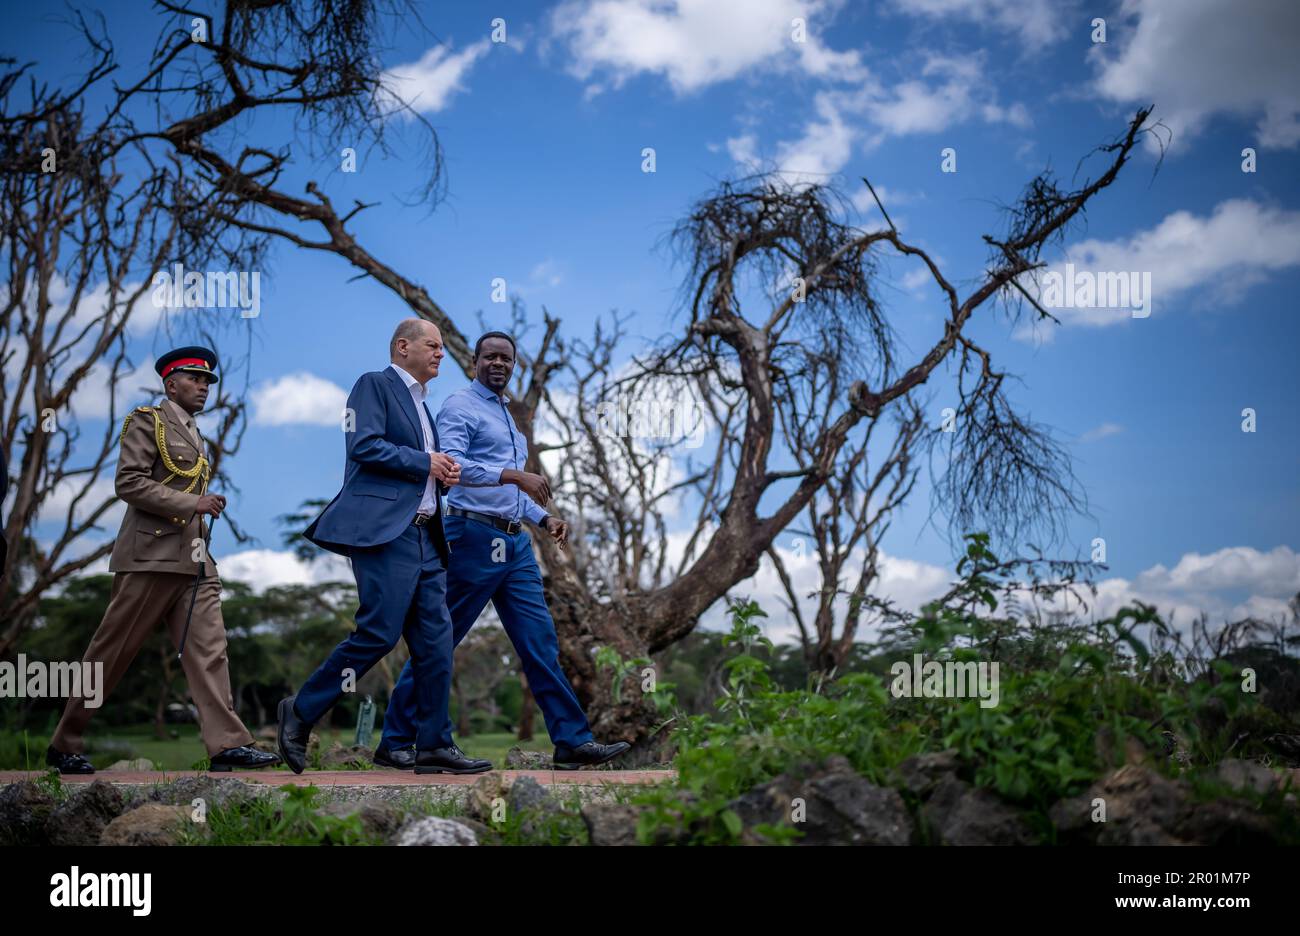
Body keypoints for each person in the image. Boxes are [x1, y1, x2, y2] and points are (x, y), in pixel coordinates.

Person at [377, 331, 630, 770]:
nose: (499, 363)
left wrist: (543, 518)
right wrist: (515, 475)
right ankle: (397, 740)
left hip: (516, 544)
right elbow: (451, 470)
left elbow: (512, 492)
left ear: (515, 365)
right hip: (470, 537)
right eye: (490, 356)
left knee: (540, 642)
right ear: (474, 360)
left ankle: (571, 741)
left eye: (507, 358)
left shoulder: (508, 416)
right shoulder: (460, 405)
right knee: (439, 641)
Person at [47, 346, 278, 774]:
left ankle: (227, 744)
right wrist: (192, 504)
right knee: (112, 652)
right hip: (151, 556)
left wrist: (198, 513)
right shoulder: (147, 421)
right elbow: (129, 482)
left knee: (210, 651)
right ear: (171, 383)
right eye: (195, 379)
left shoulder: (194, 432)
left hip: (195, 561)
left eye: (208, 380)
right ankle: (66, 742)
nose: (204, 386)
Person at [277, 319, 491, 775]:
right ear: (402, 346)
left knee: (437, 643)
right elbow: (365, 446)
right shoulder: (374, 385)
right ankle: (299, 711)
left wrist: (442, 474)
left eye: (440, 347)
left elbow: (418, 471)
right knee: (379, 632)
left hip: (427, 537)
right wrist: (425, 461)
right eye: (431, 345)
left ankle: (433, 744)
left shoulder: (424, 408)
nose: (439, 354)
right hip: (385, 534)